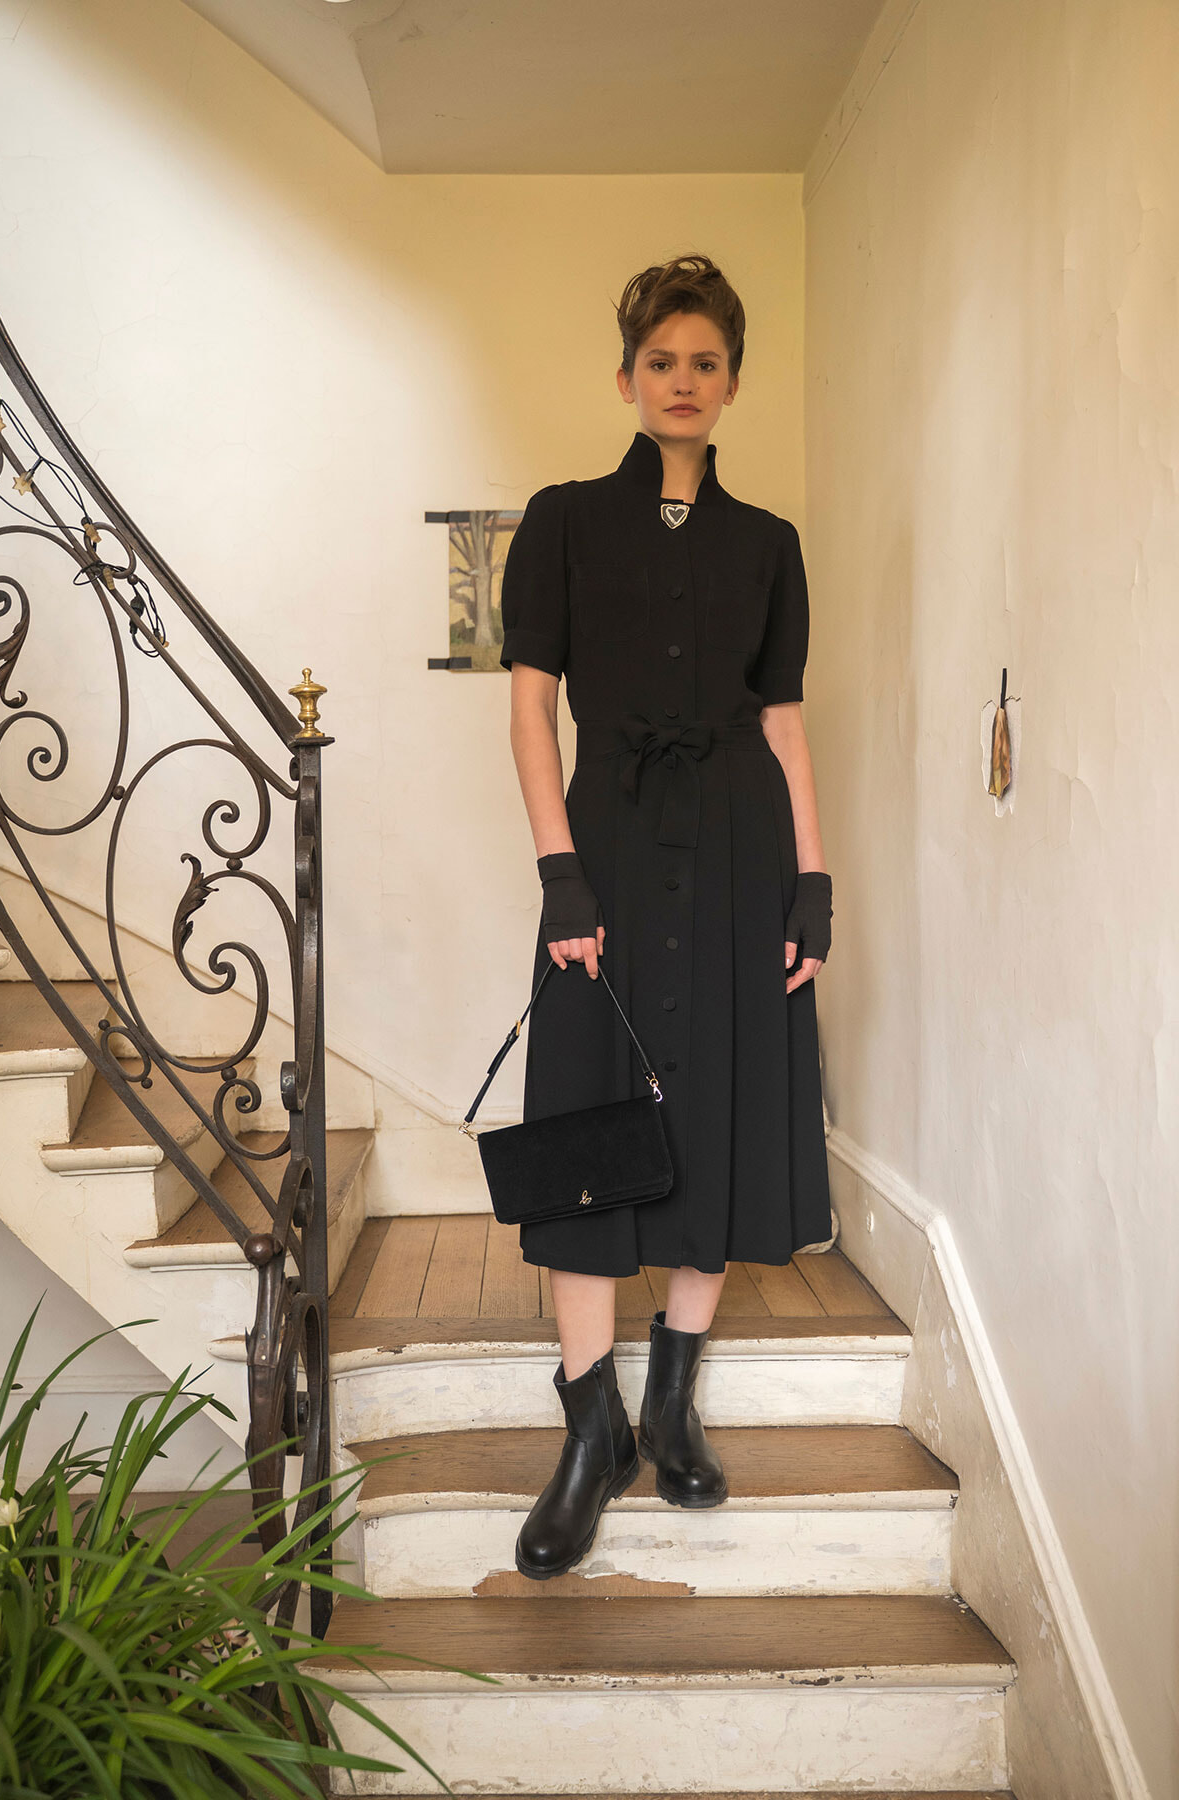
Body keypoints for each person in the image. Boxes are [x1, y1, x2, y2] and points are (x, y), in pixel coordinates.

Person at [497, 252, 834, 1581]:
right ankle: (590, 1430)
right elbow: (530, 706)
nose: (683, 382)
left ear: (732, 381)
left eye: (706, 362)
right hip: (614, 854)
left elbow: (785, 723)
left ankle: (672, 1399)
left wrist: (814, 882)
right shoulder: (566, 520)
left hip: (748, 851)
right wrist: (558, 871)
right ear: (626, 376)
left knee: (724, 1113)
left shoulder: (771, 548)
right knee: (585, 1114)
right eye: (661, 360)